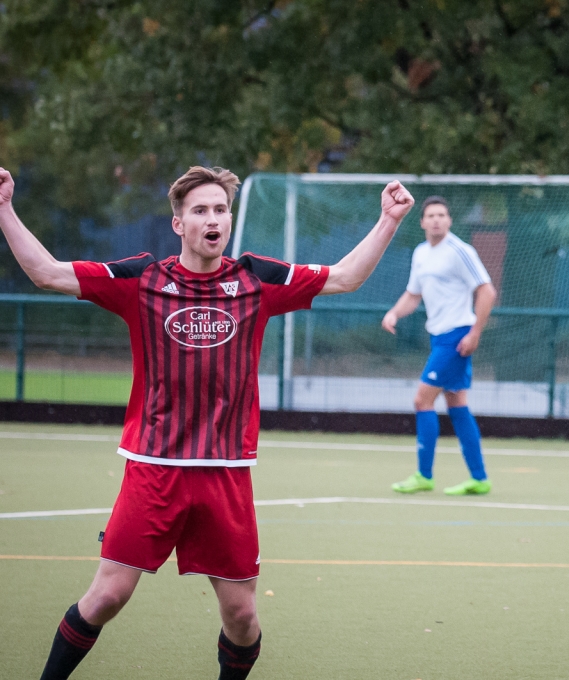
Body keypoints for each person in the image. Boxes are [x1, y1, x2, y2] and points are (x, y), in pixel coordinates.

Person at [0, 165, 414, 679]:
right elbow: (47, 272)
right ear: (179, 224)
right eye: (200, 210)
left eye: (220, 209)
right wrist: (4, 208)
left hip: (226, 473)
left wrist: (389, 220)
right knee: (107, 596)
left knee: (242, 616)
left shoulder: (257, 279)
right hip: (153, 468)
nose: (212, 218)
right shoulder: (142, 279)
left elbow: (345, 277)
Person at [383, 196, 497, 496]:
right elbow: (413, 294)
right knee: (457, 404)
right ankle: (479, 478)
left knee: (422, 400)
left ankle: (424, 475)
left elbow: (487, 291)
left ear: (449, 220)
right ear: (422, 222)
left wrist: (475, 333)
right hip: (440, 337)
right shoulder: (421, 253)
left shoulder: (460, 251)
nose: (436, 220)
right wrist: (394, 313)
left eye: (442, 215)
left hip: (456, 337)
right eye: (431, 215)